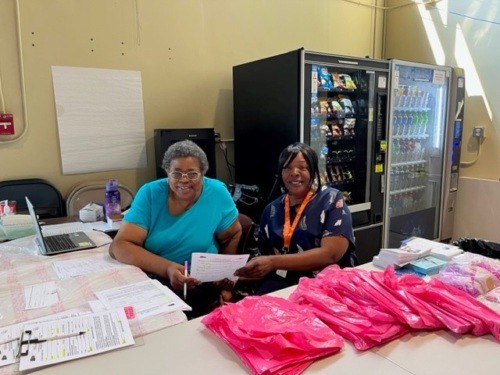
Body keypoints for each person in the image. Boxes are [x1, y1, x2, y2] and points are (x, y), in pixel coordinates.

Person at [109, 140, 241, 318]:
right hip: (152, 273)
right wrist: (168, 268)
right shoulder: (150, 193)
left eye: (192, 173)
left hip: (196, 280)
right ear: (167, 173)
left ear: (203, 173)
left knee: (157, 320)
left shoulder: (217, 193)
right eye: (176, 173)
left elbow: (232, 234)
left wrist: (224, 275)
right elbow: (120, 246)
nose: (184, 180)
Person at [234, 142, 357, 294]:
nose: (294, 173)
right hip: (283, 281)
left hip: (326, 284)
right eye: (287, 168)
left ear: (313, 171)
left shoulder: (331, 200)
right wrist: (237, 275)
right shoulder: (271, 209)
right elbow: (264, 260)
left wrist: (273, 263)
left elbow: (331, 254)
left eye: (302, 167)